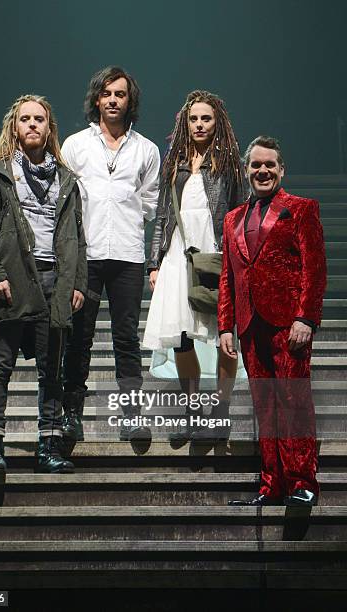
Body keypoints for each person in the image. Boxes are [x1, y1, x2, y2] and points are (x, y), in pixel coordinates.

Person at [0, 94, 87, 475]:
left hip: (55, 283)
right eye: (25, 119)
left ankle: (49, 447)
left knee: (51, 371)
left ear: (49, 128)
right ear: (14, 126)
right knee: (0, 366)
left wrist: (77, 282)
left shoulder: (67, 180)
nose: (32, 124)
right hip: (14, 280)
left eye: (39, 119)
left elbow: (77, 237)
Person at [218, 135, 327, 506]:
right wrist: (224, 326)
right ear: (247, 170)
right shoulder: (232, 219)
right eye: (256, 165)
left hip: (288, 323)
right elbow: (228, 277)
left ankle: (302, 484)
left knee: (294, 402)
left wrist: (306, 318)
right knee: (265, 405)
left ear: (282, 169)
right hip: (249, 326)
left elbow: (315, 269)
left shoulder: (301, 208)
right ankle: (271, 485)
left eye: (270, 165)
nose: (262, 171)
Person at [61, 66, 160, 443]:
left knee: (126, 339)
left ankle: (132, 414)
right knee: (79, 336)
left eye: (120, 94)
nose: (114, 100)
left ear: (129, 99)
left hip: (128, 255)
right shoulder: (75, 145)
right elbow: (64, 199)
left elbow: (150, 204)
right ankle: (72, 415)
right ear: (97, 99)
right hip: (86, 254)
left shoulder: (146, 149)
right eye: (107, 94)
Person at [144, 90, 247, 440]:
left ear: (217, 121)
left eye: (206, 118)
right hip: (178, 253)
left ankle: (221, 406)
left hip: (217, 252)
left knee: (223, 335)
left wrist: (238, 260)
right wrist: (154, 262)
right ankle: (192, 407)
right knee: (182, 337)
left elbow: (240, 214)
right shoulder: (174, 161)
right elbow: (161, 216)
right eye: (194, 118)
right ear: (185, 123)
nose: (199, 124)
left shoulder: (231, 162)